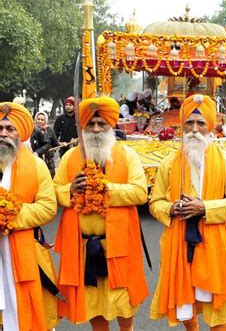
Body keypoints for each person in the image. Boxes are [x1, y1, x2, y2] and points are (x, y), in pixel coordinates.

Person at [149, 94, 226, 330]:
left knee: (216, 309)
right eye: (189, 124)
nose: (194, 129)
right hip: (179, 243)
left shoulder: (225, 161)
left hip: (215, 244)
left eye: (200, 123)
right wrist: (170, 208)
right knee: (186, 305)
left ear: (210, 126)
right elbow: (154, 202)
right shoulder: (169, 163)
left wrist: (205, 208)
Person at [53, 96, 149, 330]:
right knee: (93, 301)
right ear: (83, 127)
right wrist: (71, 189)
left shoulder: (128, 155)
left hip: (120, 244)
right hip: (84, 247)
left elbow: (140, 193)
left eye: (101, 124)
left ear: (110, 125)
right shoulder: (69, 157)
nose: (95, 129)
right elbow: (55, 191)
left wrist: (105, 189)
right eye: (90, 125)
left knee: (124, 299)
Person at [0, 102, 58, 330]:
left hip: (24, 252)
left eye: (9, 129)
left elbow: (47, 207)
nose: (3, 134)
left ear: (21, 132)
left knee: (27, 314)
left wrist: (8, 214)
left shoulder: (37, 166)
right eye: (0, 128)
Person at [30, 111, 59, 177]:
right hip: (33, 159)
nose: (40, 121)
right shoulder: (31, 129)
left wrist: (61, 143)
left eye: (42, 120)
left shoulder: (49, 130)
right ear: (35, 119)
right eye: (38, 119)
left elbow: (55, 143)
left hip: (48, 161)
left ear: (45, 121)